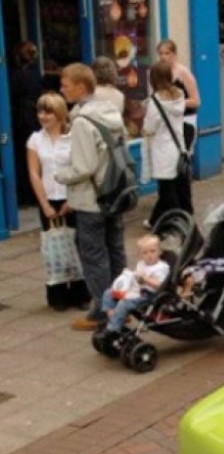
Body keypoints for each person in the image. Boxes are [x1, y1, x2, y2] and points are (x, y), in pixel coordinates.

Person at [55, 63, 129, 332]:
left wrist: (60, 175)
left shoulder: (84, 121)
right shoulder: (110, 112)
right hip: (114, 192)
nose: (61, 88)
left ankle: (102, 310)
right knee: (116, 250)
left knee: (94, 255)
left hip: (91, 199)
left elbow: (83, 167)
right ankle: (124, 305)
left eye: (65, 84)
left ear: (81, 86)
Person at [27, 92, 91, 311]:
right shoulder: (35, 139)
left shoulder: (73, 137)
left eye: (48, 112)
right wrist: (44, 204)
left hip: (72, 197)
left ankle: (81, 293)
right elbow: (34, 173)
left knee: (77, 245)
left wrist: (72, 200)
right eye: (40, 111)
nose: (43, 116)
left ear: (60, 113)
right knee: (53, 247)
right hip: (49, 198)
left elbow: (81, 169)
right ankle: (58, 295)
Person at [143, 59, 192, 227]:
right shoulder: (179, 94)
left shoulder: (155, 102)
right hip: (179, 148)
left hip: (163, 151)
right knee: (181, 188)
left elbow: (149, 128)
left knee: (167, 191)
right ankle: (161, 219)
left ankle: (176, 222)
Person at [99, 235, 169, 333]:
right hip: (136, 290)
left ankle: (113, 329)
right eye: (145, 253)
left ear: (160, 252)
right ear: (141, 255)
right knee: (109, 292)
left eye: (152, 251)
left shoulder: (161, 267)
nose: (149, 255)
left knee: (123, 303)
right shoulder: (141, 263)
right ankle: (112, 315)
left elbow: (160, 285)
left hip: (149, 295)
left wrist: (145, 279)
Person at [9, 41, 43, 206]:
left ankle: (25, 196)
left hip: (22, 120)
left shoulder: (16, 77)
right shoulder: (36, 74)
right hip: (34, 118)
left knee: (23, 158)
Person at [156, 39, 200, 151]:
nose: (163, 57)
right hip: (168, 122)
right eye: (160, 53)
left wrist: (175, 103)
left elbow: (196, 101)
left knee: (183, 157)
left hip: (185, 121)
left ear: (174, 54)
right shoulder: (160, 73)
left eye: (167, 53)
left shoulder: (183, 72)